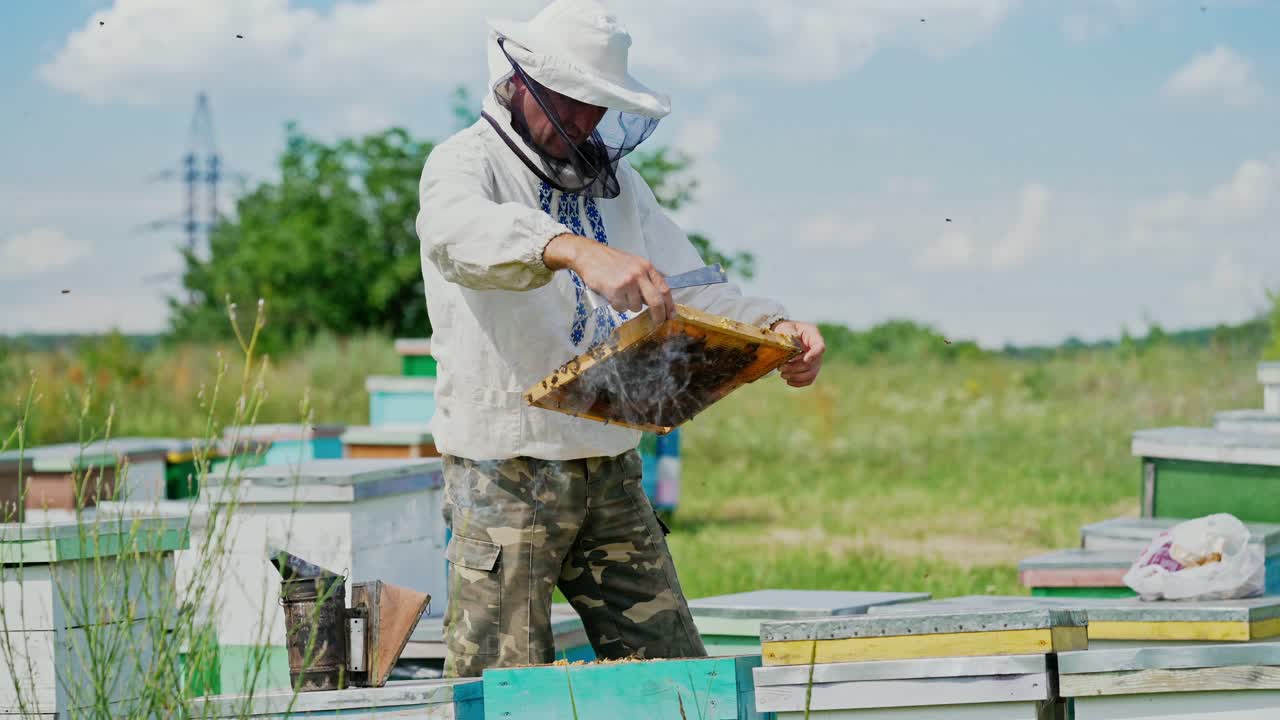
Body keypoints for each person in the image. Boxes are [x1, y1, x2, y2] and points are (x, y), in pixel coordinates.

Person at [415, 0, 826, 678]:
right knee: (501, 686)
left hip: (608, 466)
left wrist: (774, 325)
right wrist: (570, 248)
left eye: (597, 104)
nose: (584, 120)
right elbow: (457, 238)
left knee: (674, 675)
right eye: (569, 100)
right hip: (505, 471)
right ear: (519, 81)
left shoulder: (619, 185)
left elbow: (687, 285)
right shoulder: (466, 163)